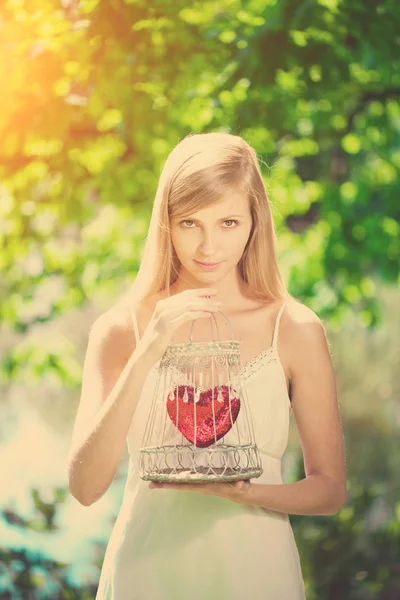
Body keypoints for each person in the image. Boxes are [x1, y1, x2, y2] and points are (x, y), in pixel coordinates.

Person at [66, 131, 347, 599]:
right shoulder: (120, 329)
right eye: (190, 223)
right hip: (145, 575)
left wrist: (246, 493)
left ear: (255, 222)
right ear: (166, 224)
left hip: (258, 576)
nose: (208, 247)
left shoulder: (294, 327)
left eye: (229, 222)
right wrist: (149, 348)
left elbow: (330, 489)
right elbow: (85, 487)